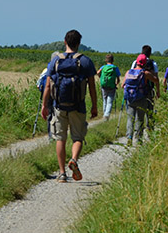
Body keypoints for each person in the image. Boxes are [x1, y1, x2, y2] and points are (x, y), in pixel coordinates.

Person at [41, 30, 98, 182]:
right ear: (79, 43)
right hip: (78, 106)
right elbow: (92, 87)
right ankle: (73, 159)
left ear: (65, 42)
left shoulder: (55, 61)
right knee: (77, 138)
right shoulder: (85, 61)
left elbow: (47, 85)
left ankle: (61, 173)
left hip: (59, 106)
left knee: (60, 138)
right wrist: (94, 106)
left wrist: (44, 105)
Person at [122, 53, 158, 146]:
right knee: (140, 119)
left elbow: (123, 85)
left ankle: (129, 137)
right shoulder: (145, 73)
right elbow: (156, 79)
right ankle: (138, 139)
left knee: (130, 118)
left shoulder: (128, 72)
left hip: (130, 99)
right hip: (141, 98)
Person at [130, 45, 160, 130]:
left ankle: (136, 130)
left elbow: (131, 74)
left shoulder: (135, 62)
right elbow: (156, 78)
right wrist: (158, 91)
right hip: (149, 89)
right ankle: (150, 127)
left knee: (138, 111)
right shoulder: (153, 63)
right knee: (149, 109)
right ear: (150, 53)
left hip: (137, 90)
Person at [96, 54, 121, 121]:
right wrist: (116, 84)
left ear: (106, 60)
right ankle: (106, 115)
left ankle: (104, 114)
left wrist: (100, 77)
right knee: (109, 101)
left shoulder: (103, 67)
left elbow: (98, 72)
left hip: (104, 85)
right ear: (113, 60)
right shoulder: (115, 68)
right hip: (112, 86)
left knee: (105, 100)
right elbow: (118, 79)